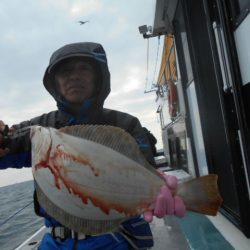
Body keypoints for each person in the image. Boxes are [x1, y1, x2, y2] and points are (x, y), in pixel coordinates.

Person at [0, 42, 186, 250]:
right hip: (56, 243)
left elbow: (144, 169)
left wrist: (161, 187)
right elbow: (7, 145)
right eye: (66, 71)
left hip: (117, 239)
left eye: (84, 68)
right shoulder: (39, 130)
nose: (74, 76)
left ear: (98, 77)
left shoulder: (125, 124)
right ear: (55, 83)